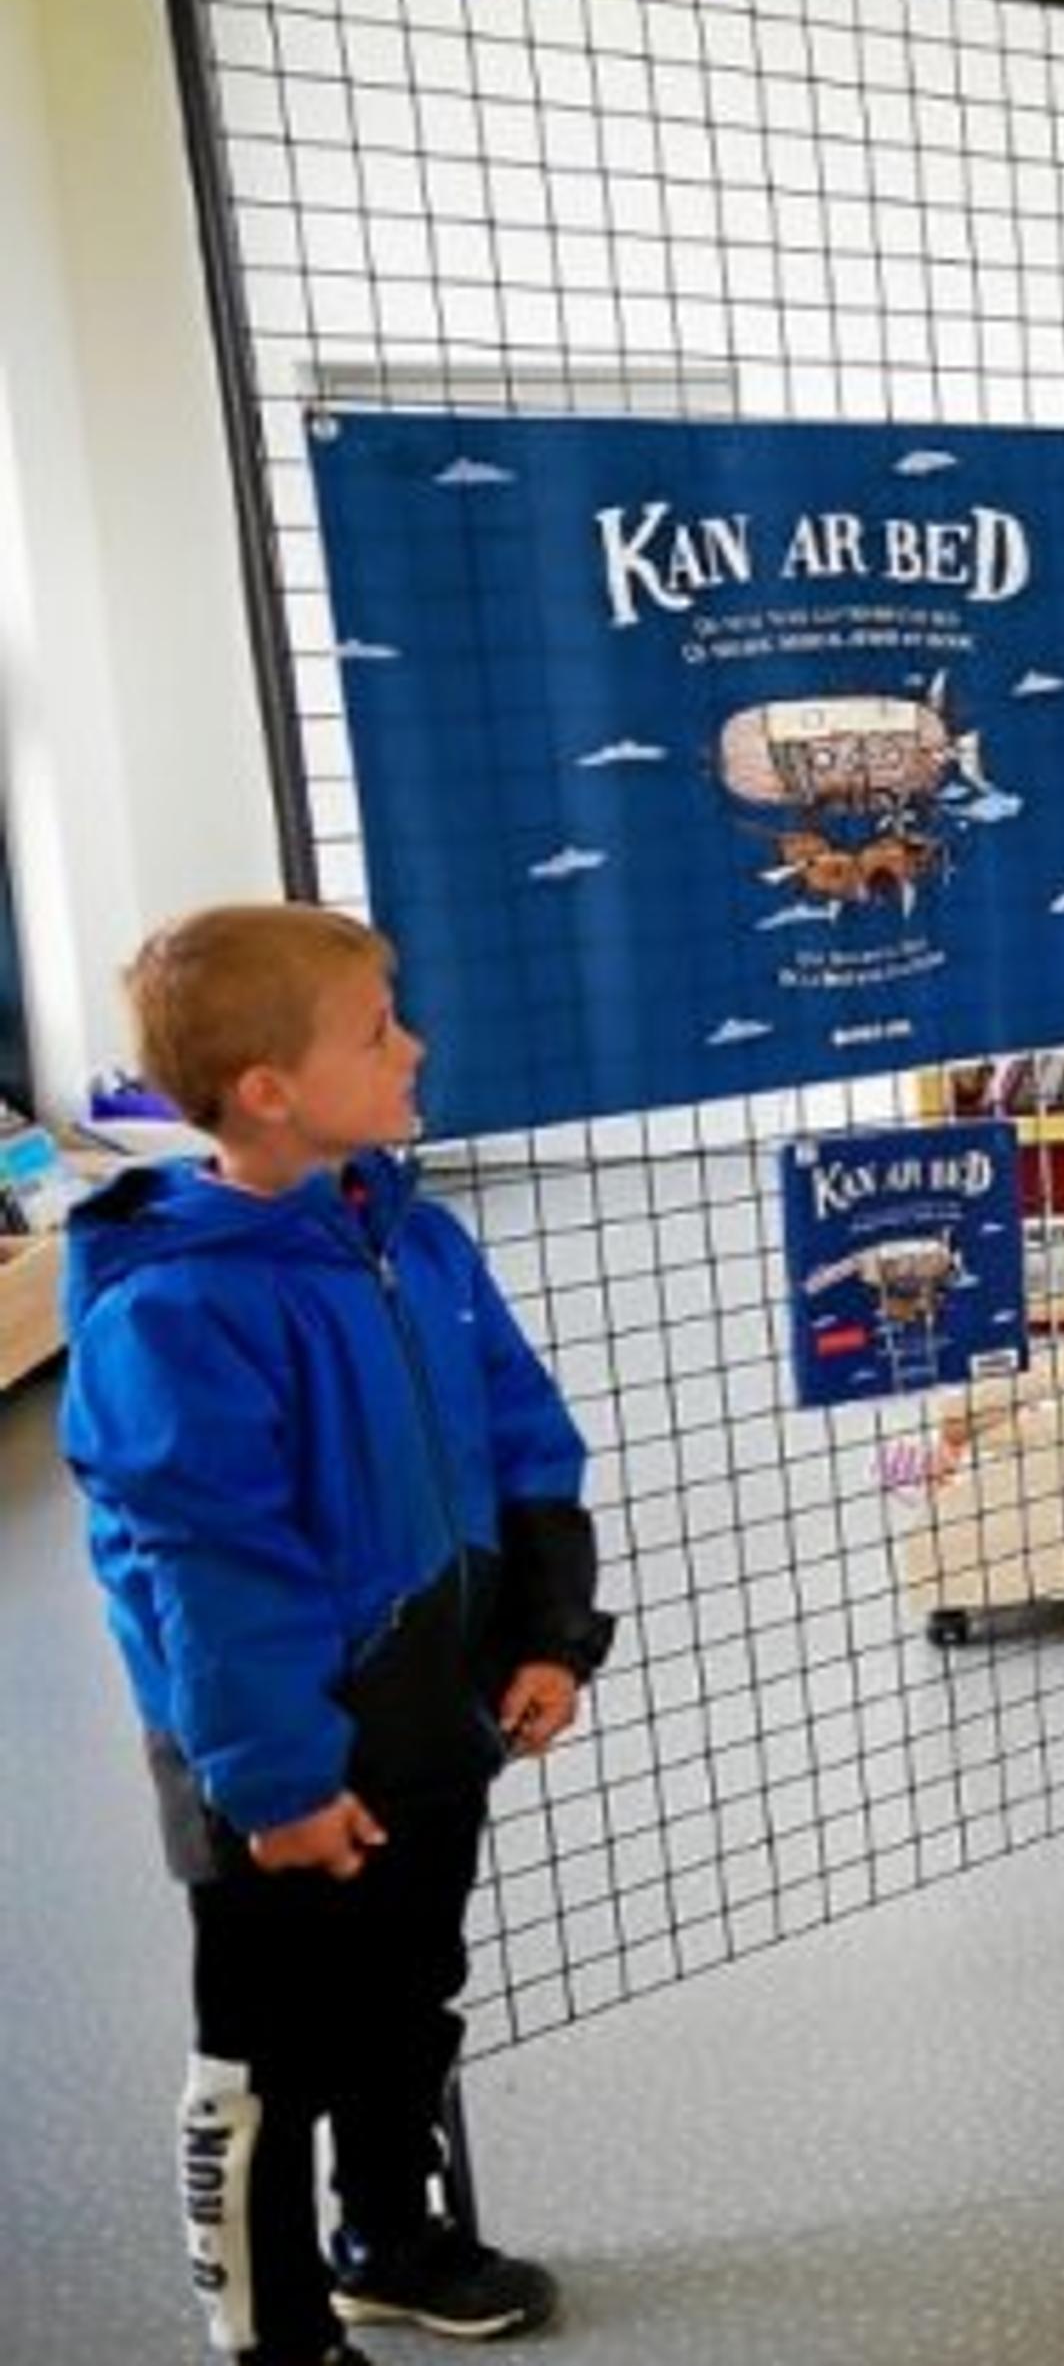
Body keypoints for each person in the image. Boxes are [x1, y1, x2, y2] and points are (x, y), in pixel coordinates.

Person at [65, 905, 610, 2364]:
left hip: (435, 1711)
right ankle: (276, 2330)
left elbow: (523, 1436)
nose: (415, 1041)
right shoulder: (174, 1310)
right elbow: (212, 1572)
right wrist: (285, 1785)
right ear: (268, 1087)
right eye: (378, 1027)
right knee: (271, 2051)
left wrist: (547, 1632)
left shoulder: (414, 1239)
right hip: (276, 1767)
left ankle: (390, 2234)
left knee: (402, 1998)